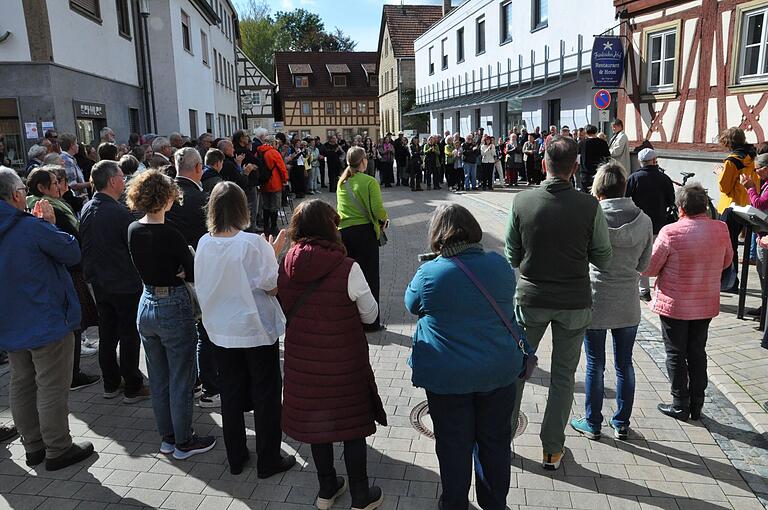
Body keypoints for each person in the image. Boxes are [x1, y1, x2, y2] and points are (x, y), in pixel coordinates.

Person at [406, 203, 530, 510]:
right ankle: (494, 503)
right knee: (494, 444)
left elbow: (412, 304)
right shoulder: (499, 264)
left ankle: (455, 503)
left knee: (452, 446)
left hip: (449, 377)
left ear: (438, 236)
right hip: (498, 371)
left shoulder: (429, 272)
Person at [505, 136, 612, 470]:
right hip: (574, 301)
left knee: (517, 370)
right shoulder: (590, 206)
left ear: (543, 164)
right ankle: (552, 449)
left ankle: (503, 439)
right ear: (576, 168)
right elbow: (603, 258)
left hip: (532, 298)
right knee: (563, 377)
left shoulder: (522, 201)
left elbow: (511, 253)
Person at [278, 199, 386, 510]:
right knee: (352, 428)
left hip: (303, 361)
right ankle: (361, 496)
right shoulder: (347, 267)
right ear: (331, 227)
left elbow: (282, 305)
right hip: (344, 362)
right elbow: (370, 315)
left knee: (317, 427)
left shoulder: (285, 263)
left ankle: (327, 489)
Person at [194, 181, 296, 477]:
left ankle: (236, 456)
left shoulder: (204, 242)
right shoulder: (251, 243)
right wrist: (273, 252)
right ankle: (268, 459)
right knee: (265, 394)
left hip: (221, 330)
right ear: (243, 208)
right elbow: (272, 286)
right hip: (254, 329)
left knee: (231, 393)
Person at [0, 167, 95, 471]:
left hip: (11, 322)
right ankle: (58, 448)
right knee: (51, 386)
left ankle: (34, 446)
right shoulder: (30, 226)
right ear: (17, 195)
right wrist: (51, 224)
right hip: (46, 319)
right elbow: (71, 252)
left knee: (22, 383)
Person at [125, 170, 216, 459]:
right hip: (172, 305)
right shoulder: (171, 234)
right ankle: (184, 441)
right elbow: (192, 271)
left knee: (159, 377)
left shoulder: (132, 230)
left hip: (146, 303)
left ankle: (168, 438)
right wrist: (182, 268)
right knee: (181, 377)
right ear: (167, 198)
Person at [569, 162, 653, 441]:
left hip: (596, 298)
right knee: (624, 364)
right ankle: (622, 423)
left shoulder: (591, 217)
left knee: (595, 364)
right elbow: (644, 263)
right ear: (624, 186)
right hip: (627, 301)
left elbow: (579, 258)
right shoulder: (644, 220)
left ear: (598, 189)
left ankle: (593, 423)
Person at [643, 183, 733, 421]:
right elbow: (726, 262)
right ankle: (696, 404)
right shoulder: (721, 229)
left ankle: (680, 402)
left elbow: (650, 268)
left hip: (675, 304)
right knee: (697, 352)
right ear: (705, 206)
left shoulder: (670, 232)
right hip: (704, 302)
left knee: (675, 353)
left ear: (681, 207)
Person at [80, 160, 150, 404]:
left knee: (108, 333)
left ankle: (111, 382)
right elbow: (133, 247)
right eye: (122, 177)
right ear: (112, 181)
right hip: (122, 283)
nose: (125, 181)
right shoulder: (118, 212)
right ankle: (132, 385)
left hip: (100, 283)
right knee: (129, 334)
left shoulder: (88, 207)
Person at [26, 167, 101, 389]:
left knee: (77, 320)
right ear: (41, 188)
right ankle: (72, 374)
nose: (60, 186)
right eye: (55, 182)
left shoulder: (52, 204)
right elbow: (67, 238)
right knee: (73, 321)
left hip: (68, 269)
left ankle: (72, 370)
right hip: (67, 270)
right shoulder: (46, 209)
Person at [165, 148, 221, 408]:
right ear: (199, 167)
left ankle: (193, 385)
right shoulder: (201, 198)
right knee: (204, 332)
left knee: (183, 336)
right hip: (199, 274)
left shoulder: (164, 196)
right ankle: (209, 388)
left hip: (168, 274)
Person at [337, 147, 389, 332]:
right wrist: (385, 219)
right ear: (363, 161)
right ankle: (371, 322)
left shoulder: (342, 182)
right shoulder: (369, 181)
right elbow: (377, 210)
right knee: (370, 277)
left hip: (344, 233)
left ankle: (352, 319)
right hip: (364, 234)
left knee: (349, 276)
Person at [625, 148, 676, 301]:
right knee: (660, 256)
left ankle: (643, 290)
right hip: (659, 224)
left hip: (638, 223)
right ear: (655, 161)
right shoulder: (665, 178)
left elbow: (626, 199)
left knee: (641, 257)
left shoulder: (634, 178)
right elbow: (671, 201)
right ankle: (662, 288)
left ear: (641, 162)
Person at [716, 127, 759, 292]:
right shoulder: (752, 156)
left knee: (728, 246)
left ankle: (730, 282)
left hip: (730, 206)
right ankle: (733, 281)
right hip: (746, 204)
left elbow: (724, 188)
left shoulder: (731, 161)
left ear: (728, 142)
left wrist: (720, 173)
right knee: (736, 244)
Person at [257, 135, 290, 237]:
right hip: (274, 182)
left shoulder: (259, 151)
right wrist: (285, 180)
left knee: (266, 205)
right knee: (274, 206)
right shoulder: (273, 152)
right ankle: (274, 227)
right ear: (272, 143)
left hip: (264, 182)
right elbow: (282, 167)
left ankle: (266, 226)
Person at [578, 124, 611, 193]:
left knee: (585, 194)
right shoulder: (603, 143)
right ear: (596, 132)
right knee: (598, 193)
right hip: (599, 172)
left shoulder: (582, 143)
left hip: (585, 173)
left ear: (586, 132)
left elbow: (577, 157)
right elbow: (608, 157)